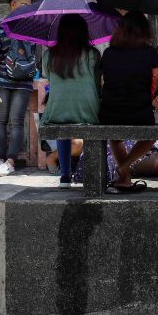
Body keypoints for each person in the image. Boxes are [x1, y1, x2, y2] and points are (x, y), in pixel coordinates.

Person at [99, 11, 158, 192]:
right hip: (140, 112)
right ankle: (124, 167)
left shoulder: (109, 53)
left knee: (114, 136)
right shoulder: (150, 53)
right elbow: (156, 83)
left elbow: (102, 82)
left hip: (110, 111)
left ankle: (124, 178)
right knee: (151, 136)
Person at [41, 14, 101, 188]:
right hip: (88, 112)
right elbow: (97, 85)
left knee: (62, 126)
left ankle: (65, 176)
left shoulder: (48, 55)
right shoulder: (93, 55)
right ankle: (91, 174)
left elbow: (51, 82)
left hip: (56, 112)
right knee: (92, 124)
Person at [0, 0, 36, 177]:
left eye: (30, 6)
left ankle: (6, 161)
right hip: (18, 82)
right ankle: (6, 161)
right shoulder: (31, 28)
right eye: (24, 4)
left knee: (5, 121)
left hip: (8, 82)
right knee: (12, 122)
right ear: (12, 4)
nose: (27, 8)